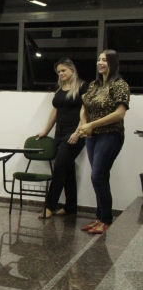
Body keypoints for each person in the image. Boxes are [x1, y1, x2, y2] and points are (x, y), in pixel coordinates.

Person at [78, 50, 130, 235]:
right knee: (100, 177)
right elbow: (84, 107)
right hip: (92, 136)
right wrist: (84, 125)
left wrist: (91, 125)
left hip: (110, 135)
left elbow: (119, 114)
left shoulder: (120, 85)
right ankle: (100, 217)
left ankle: (106, 219)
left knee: (97, 176)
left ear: (113, 63)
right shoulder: (94, 85)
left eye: (105, 60)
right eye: (99, 59)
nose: (100, 63)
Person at [36, 59, 89, 219]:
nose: (61, 73)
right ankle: (70, 207)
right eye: (59, 71)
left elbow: (87, 110)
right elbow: (54, 112)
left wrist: (78, 132)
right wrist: (46, 131)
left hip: (75, 133)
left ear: (72, 69)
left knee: (59, 167)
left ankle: (49, 206)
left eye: (63, 70)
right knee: (67, 168)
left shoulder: (82, 86)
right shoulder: (60, 89)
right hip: (60, 133)